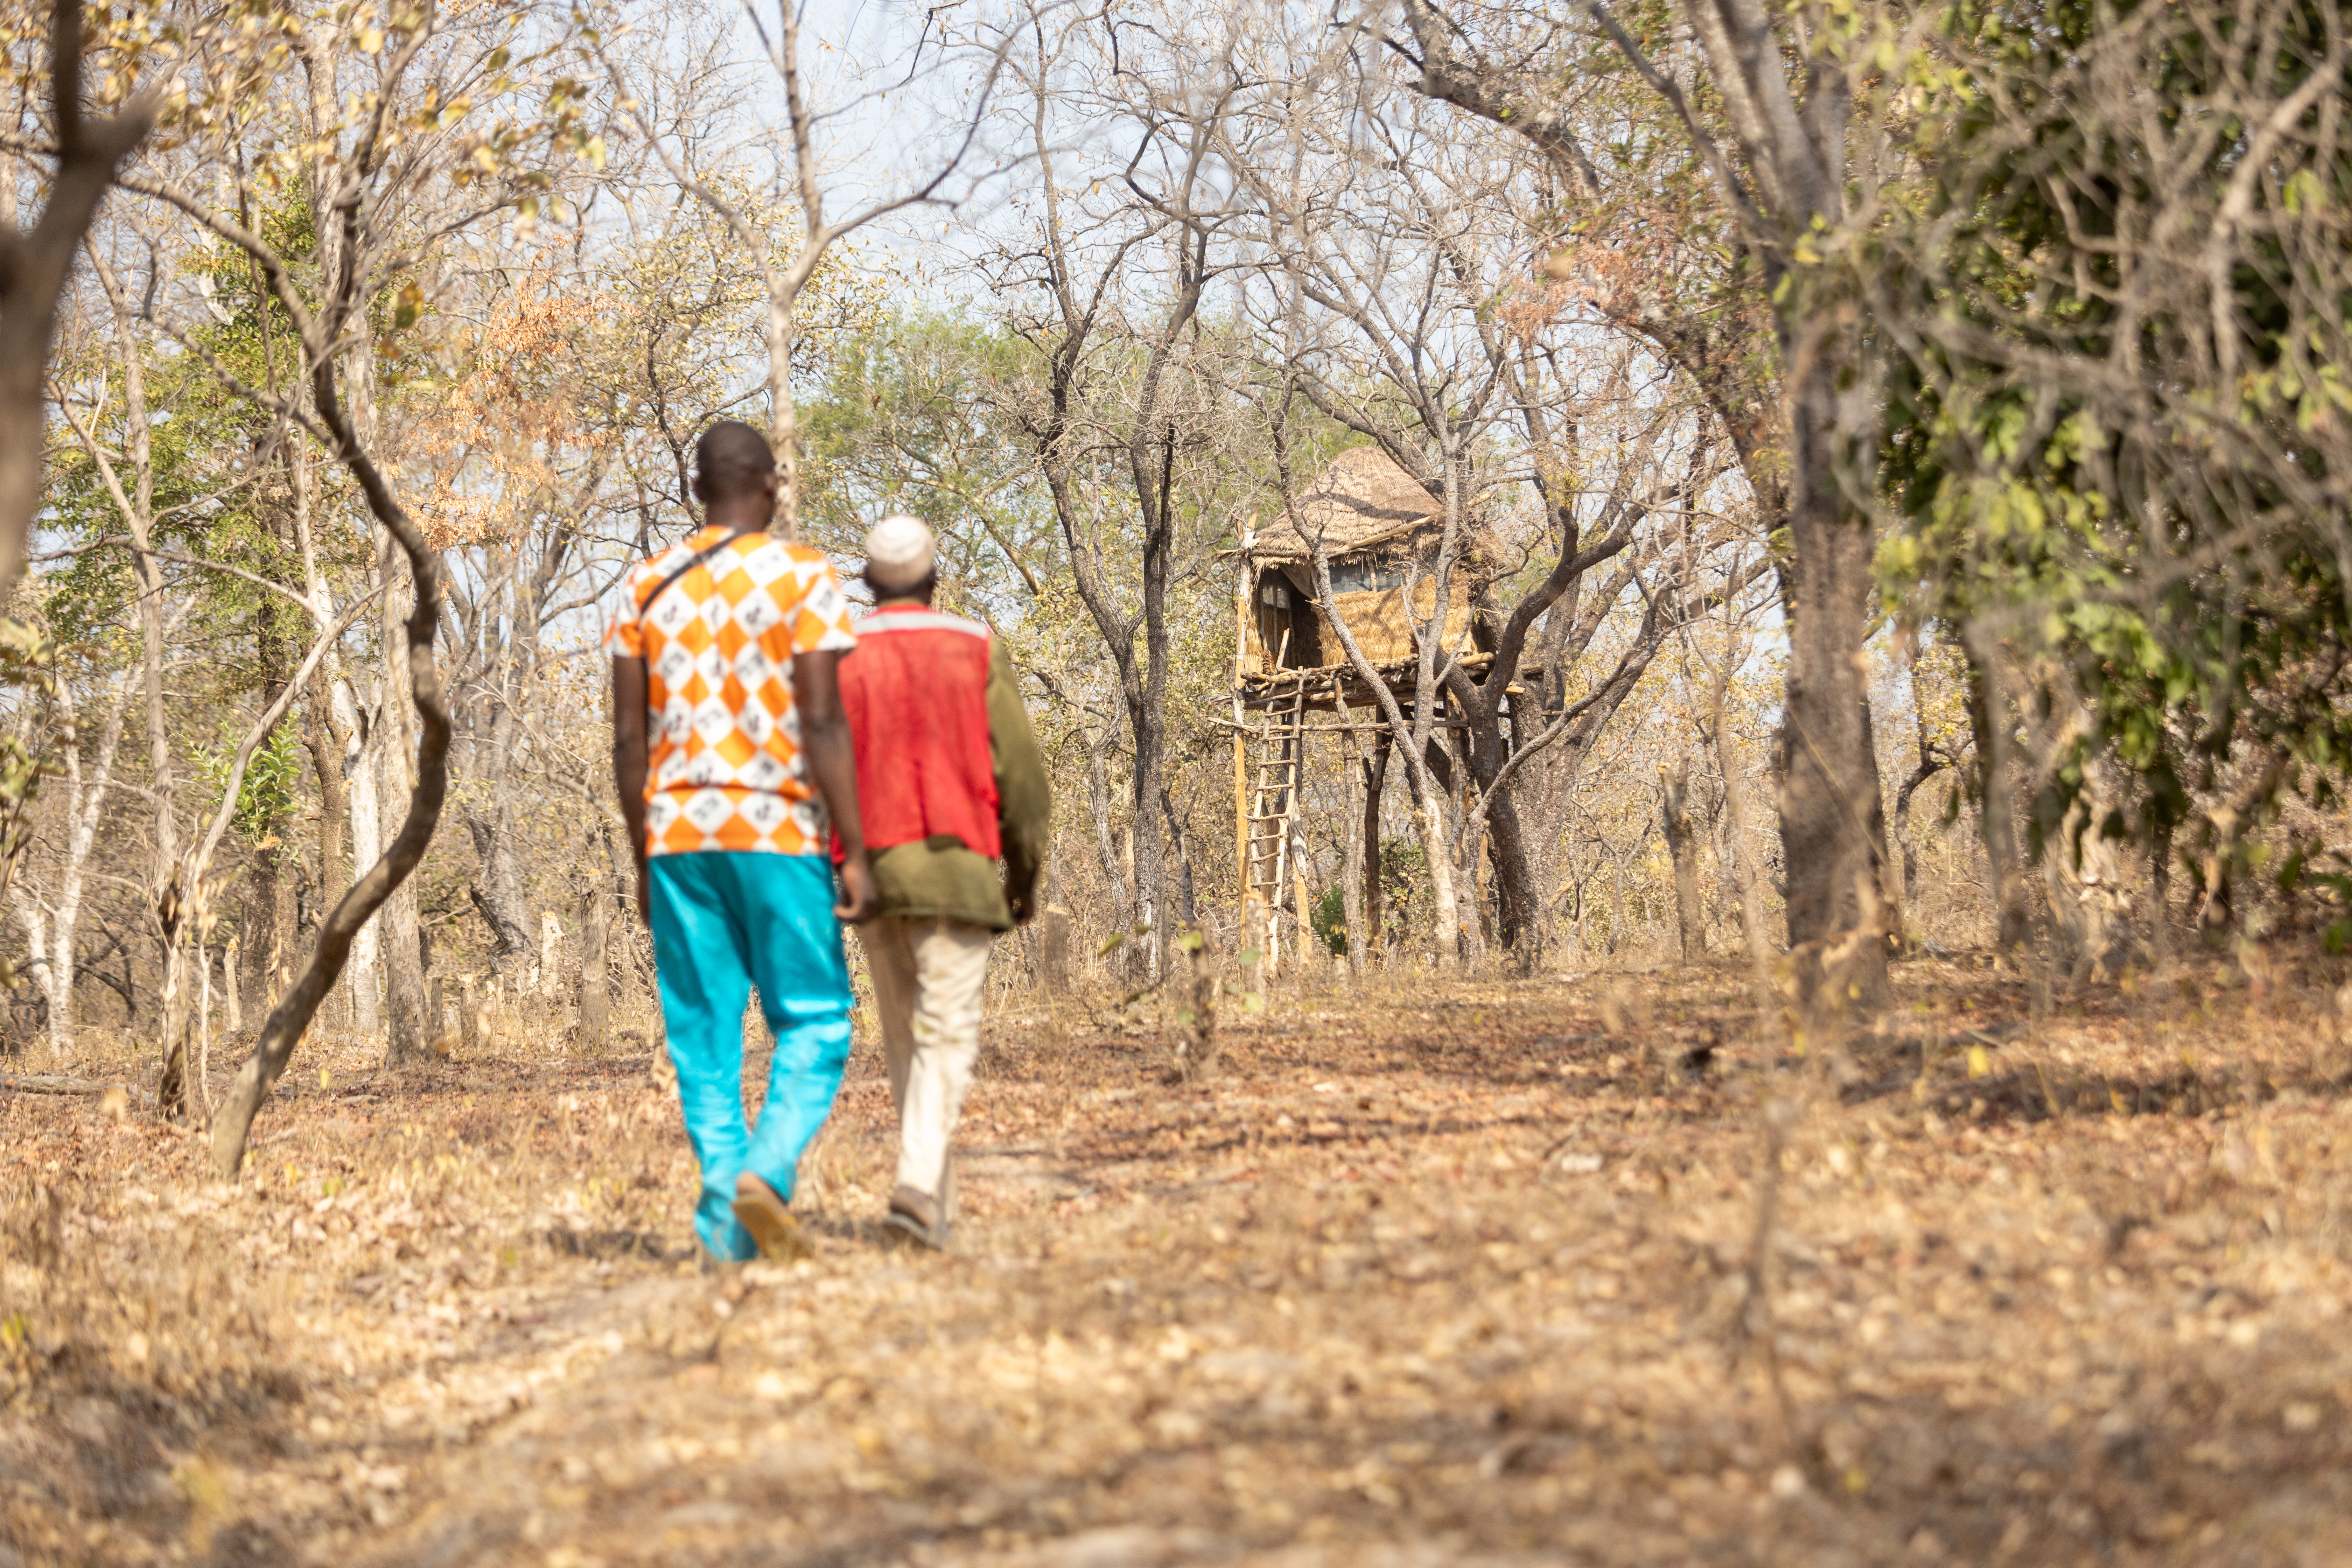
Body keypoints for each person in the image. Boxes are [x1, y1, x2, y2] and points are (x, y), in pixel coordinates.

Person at [607, 421, 878, 1265]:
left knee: (704, 1034)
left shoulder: (645, 586)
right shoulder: (805, 577)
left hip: (679, 834)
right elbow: (825, 718)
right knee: (818, 1018)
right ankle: (766, 1171)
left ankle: (727, 1220)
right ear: (769, 485)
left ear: (698, 488)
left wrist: (641, 851)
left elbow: (627, 737)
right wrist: (857, 847)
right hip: (778, 830)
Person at [836, 516, 1049, 1250]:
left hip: (869, 875)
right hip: (957, 873)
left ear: (867, 583)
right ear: (936, 578)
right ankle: (920, 1187)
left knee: (904, 1045)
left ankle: (932, 1213)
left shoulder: (838, 653)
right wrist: (1023, 876)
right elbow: (1020, 774)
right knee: (947, 1040)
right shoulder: (975, 645)